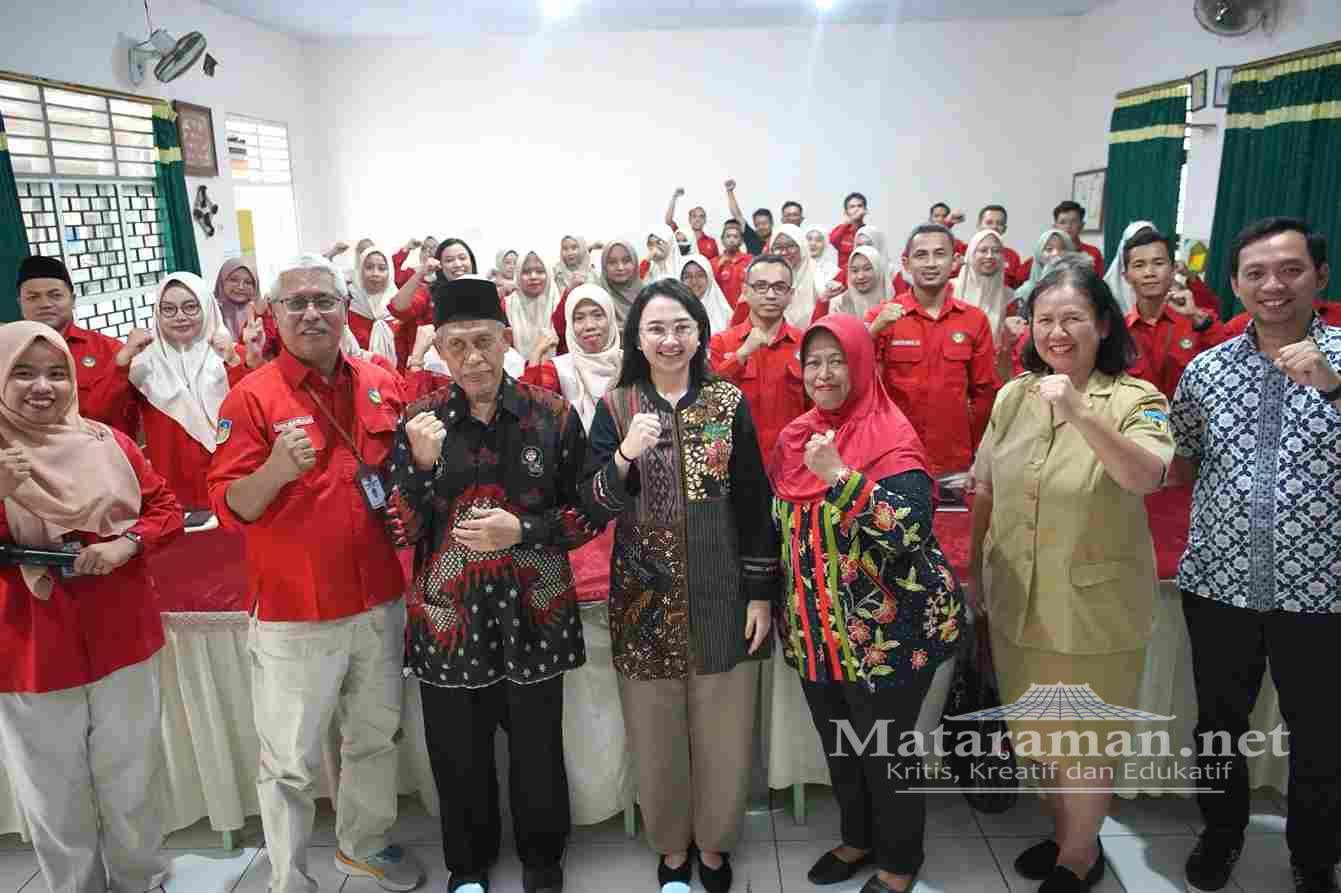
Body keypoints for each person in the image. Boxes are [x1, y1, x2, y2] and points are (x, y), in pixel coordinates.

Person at [207, 253, 422, 893]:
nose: (311, 313)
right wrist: (275, 467)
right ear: (273, 315)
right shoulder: (251, 397)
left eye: (324, 300)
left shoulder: (379, 381)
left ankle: (362, 846)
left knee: (375, 737)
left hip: (378, 598)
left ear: (343, 308)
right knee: (291, 762)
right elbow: (230, 506)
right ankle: (288, 875)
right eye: (296, 302)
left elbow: (405, 474)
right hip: (293, 611)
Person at [970, 258, 1173, 893]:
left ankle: (1079, 857)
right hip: (1016, 600)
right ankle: (1067, 837)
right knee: (1040, 736)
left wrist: (1083, 411)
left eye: (1073, 319)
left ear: (1104, 323)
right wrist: (977, 572)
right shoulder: (1013, 396)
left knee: (1085, 740)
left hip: (1093, 608)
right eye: (1044, 320)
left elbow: (1146, 477)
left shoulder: (1137, 398)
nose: (1056, 333)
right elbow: (983, 488)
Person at [387, 276, 597, 893]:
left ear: (507, 340)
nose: (473, 358)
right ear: (440, 351)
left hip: (536, 613)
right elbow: (399, 528)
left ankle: (542, 859)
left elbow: (588, 513)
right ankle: (469, 866)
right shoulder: (418, 420)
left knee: (537, 751)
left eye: (484, 341)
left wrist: (524, 530)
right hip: (450, 623)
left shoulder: (550, 415)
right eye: (457, 346)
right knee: (458, 755)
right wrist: (422, 469)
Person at [582, 279, 780, 893]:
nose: (670, 340)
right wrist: (622, 457)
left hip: (723, 594)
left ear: (700, 334)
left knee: (724, 728)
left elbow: (754, 501)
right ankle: (671, 849)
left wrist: (759, 593)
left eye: (682, 328)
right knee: (654, 729)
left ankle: (716, 848)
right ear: (638, 338)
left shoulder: (726, 403)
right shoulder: (616, 408)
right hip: (644, 598)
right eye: (655, 329)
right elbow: (590, 504)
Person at [1169, 218, 1341, 893]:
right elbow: (1176, 460)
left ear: (1318, 277)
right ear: (1234, 283)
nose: (1272, 285)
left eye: (1289, 270)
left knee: (1321, 733)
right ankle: (1219, 833)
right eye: (1256, 273)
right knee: (1217, 725)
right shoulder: (1205, 369)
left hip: (1322, 591)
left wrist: (1331, 386)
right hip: (1218, 584)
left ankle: (1314, 856)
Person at [770, 313, 963, 893]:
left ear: (859, 365)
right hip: (815, 631)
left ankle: (900, 861)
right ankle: (858, 838)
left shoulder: (890, 434)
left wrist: (840, 475)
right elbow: (780, 527)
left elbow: (907, 531)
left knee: (886, 753)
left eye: (836, 361)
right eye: (813, 362)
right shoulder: (795, 436)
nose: (824, 373)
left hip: (888, 638)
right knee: (840, 748)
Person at [0, 320, 183, 893]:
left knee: (132, 777)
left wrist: (126, 543)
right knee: (53, 792)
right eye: (22, 373)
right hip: (30, 644)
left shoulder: (108, 442)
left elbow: (166, 509)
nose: (43, 386)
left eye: (57, 373)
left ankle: (141, 880)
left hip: (121, 630)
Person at [518, 282, 632, 831]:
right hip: (579, 525)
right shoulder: (556, 372)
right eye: (579, 317)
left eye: (597, 315)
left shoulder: (635, 365)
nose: (589, 326)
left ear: (613, 318)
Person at [864, 225, 997, 493]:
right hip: (895, 458)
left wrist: (978, 454)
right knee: (897, 533)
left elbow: (984, 394)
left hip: (955, 462)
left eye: (940, 254)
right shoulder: (883, 317)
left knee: (952, 534)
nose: (931, 263)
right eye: (921, 255)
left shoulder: (974, 320)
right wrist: (873, 330)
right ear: (906, 263)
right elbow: (857, 380)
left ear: (955, 261)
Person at [130, 272, 255, 511]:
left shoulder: (233, 355)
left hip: (235, 487)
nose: (180, 317)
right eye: (168, 309)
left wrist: (234, 362)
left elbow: (253, 414)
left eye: (190, 307)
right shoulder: (141, 364)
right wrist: (121, 362)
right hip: (175, 496)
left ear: (207, 308)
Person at [15, 256, 144, 437]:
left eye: (55, 295)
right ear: (20, 303)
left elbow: (129, 417)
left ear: (73, 299)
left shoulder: (111, 351)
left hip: (105, 455)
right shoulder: (8, 353)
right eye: (33, 297)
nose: (45, 304)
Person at [709, 254, 807, 464]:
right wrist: (742, 353)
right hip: (738, 462)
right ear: (745, 290)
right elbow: (710, 400)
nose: (770, 295)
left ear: (791, 294)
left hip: (792, 461)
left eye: (779, 287)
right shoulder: (722, 342)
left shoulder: (805, 343)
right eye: (761, 286)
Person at [1121, 229, 1227, 400]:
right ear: (1126, 276)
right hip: (1138, 423)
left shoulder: (1200, 320)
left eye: (1158, 263)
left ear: (1172, 270)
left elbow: (1230, 360)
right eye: (1139, 265)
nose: (1149, 272)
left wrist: (1194, 316)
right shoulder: (1119, 331)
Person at [955, 229, 1018, 380]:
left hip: (992, 375)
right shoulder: (950, 290)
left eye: (995, 251)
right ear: (971, 254)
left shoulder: (1010, 298)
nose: (989, 256)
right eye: (983, 250)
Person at [389, 236, 480, 333]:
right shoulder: (429, 291)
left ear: (471, 261)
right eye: (449, 260)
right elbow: (398, 308)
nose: (457, 264)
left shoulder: (486, 290)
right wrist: (421, 272)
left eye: (462, 258)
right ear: (441, 265)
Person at [348, 244, 404, 365]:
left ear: (390, 272)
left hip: (397, 376)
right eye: (369, 267)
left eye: (382, 268)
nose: (375, 273)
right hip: (359, 375)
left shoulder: (399, 304)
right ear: (360, 271)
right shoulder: (349, 303)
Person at [1020, 202, 1102, 278]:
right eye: (1062, 222)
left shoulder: (1093, 253)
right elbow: (1019, 277)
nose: (1068, 226)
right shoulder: (1046, 252)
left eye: (1073, 221)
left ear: (1082, 225)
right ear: (1055, 227)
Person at [510, 249, 562, 363]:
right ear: (518, 274)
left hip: (558, 375)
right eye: (526, 272)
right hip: (518, 377)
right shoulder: (506, 306)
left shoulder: (561, 305)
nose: (533, 276)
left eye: (539, 271)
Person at [679, 252, 733, 335]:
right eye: (687, 277)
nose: (694, 282)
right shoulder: (674, 312)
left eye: (700, 275)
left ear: (709, 278)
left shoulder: (725, 313)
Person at [829, 245, 889, 320]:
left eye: (867, 269)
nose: (860, 276)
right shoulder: (838, 304)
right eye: (854, 271)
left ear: (878, 270)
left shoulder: (891, 300)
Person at [978, 205, 1026, 288]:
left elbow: (1016, 288)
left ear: (1004, 229)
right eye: (989, 222)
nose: (994, 227)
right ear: (979, 225)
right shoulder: (966, 251)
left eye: (999, 223)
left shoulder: (1013, 256)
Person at [665, 188, 720, 260]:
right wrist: (674, 197)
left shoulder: (711, 241)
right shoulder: (681, 235)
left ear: (705, 220)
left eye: (701, 216)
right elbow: (668, 221)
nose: (697, 219)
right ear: (689, 219)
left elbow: (715, 264)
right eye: (694, 216)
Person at [724, 178, 773, 256]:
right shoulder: (751, 237)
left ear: (771, 223)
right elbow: (737, 215)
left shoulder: (778, 239)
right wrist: (730, 191)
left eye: (764, 223)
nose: (761, 227)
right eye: (758, 224)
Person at [713, 219, 754, 308]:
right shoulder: (713, 262)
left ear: (741, 241)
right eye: (728, 236)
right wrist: (719, 267)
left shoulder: (750, 260)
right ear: (722, 240)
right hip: (722, 310)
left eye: (735, 237)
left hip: (745, 309)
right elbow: (711, 289)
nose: (731, 240)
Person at [829, 192, 869, 278]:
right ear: (846, 212)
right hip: (844, 277)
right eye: (852, 207)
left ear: (865, 210)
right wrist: (848, 222)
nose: (856, 209)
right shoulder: (841, 229)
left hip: (863, 277)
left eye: (859, 206)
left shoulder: (869, 232)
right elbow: (832, 241)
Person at [806, 222, 839, 287]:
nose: (813, 243)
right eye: (809, 239)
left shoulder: (833, 271)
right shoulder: (796, 266)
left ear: (825, 244)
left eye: (818, 240)